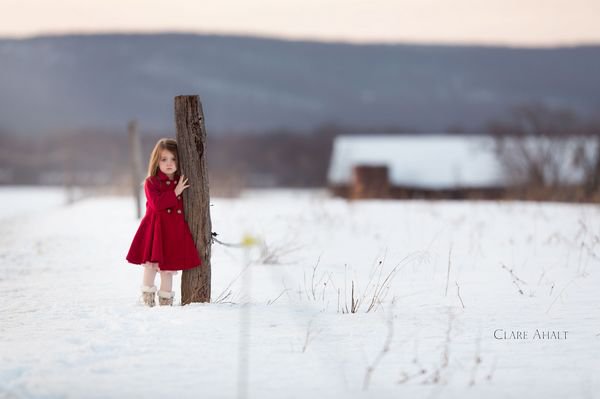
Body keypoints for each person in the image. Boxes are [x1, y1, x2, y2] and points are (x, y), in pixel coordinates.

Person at [126, 138, 202, 306]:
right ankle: (147, 300)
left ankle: (166, 302)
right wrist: (175, 192)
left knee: (168, 269)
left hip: (173, 231)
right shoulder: (151, 182)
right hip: (155, 230)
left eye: (173, 159)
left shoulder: (181, 182)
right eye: (164, 159)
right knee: (150, 266)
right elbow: (157, 204)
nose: (169, 163)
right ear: (156, 161)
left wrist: (178, 190)